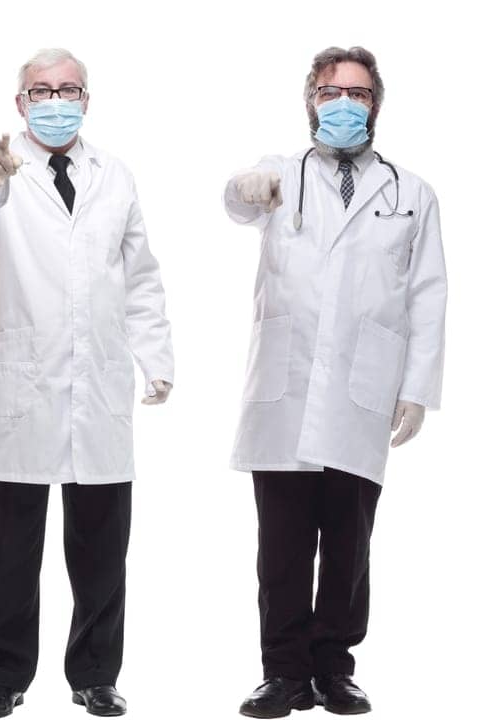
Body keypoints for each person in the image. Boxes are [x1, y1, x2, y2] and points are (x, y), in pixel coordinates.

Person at [0, 48, 174, 719]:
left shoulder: (116, 175)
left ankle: (96, 675)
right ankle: (4, 676)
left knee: (102, 546)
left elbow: (139, 274)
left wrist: (155, 355)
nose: (55, 99)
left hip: (98, 384)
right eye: (40, 90)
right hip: (24, 385)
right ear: (20, 103)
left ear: (86, 99)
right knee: (10, 547)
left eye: (68, 89)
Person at [224, 46, 446, 719]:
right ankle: (282, 674)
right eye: (328, 92)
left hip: (362, 391)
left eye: (355, 92)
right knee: (283, 546)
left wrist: (416, 388)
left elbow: (428, 295)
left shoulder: (412, 193)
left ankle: (335, 670)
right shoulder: (278, 172)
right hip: (287, 393)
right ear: (310, 102)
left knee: (349, 544)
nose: (341, 104)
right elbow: (235, 200)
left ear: (375, 103)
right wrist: (249, 189)